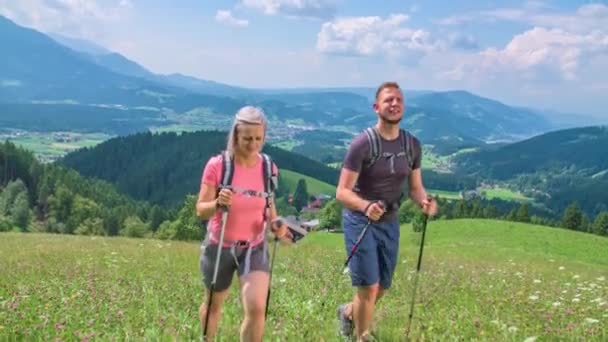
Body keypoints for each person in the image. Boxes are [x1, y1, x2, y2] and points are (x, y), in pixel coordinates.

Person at [335, 82, 438, 341]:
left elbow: (415, 188)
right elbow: (342, 192)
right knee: (368, 286)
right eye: (389, 100)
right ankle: (362, 336)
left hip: (390, 221)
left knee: (382, 286)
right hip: (361, 221)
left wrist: (424, 201)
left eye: (399, 100)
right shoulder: (362, 144)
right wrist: (366, 206)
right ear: (376, 107)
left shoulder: (412, 145)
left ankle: (347, 312)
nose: (395, 104)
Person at [196, 106, 291, 341]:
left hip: (254, 246)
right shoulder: (218, 166)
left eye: (259, 138)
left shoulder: (269, 168)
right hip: (220, 246)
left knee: (258, 308)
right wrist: (217, 203)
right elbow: (200, 210)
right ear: (235, 135)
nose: (253, 144)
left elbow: (270, 209)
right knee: (212, 306)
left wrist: (276, 224)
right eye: (247, 138)